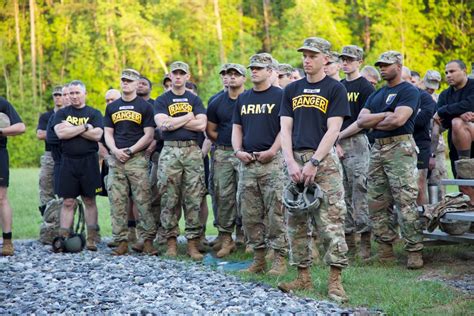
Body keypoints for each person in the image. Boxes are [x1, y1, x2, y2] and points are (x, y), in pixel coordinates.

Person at [278, 37, 350, 303]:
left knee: (330, 221)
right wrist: (291, 162)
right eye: (304, 55)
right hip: (295, 159)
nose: (306, 59)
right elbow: (285, 128)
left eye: (312, 55)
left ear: (326, 59)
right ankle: (303, 276)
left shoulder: (335, 88)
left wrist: (314, 162)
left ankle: (335, 282)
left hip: (324, 162)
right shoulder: (292, 89)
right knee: (295, 222)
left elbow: (334, 129)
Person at [357, 51, 424, 269]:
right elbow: (361, 121)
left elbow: (399, 119)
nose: (382, 68)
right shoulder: (377, 94)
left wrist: (375, 120)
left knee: (405, 200)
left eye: (386, 65)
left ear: (398, 65)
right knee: (377, 202)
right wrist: (384, 116)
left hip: (400, 147)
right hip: (378, 149)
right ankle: (385, 251)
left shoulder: (409, 91)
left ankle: (414, 250)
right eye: (380, 65)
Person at [232, 54, 287, 275]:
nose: (254, 71)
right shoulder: (243, 98)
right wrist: (238, 151)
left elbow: (286, 128)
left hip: (272, 163)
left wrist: (273, 150)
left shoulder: (281, 96)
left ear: (270, 71)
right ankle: (259, 259)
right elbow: (237, 128)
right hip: (248, 163)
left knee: (276, 212)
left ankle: (280, 259)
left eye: (259, 68)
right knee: (250, 214)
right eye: (252, 68)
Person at [154, 61, 207, 260]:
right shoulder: (162, 99)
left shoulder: (195, 99)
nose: (178, 77)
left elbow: (201, 125)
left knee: (193, 197)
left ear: (187, 76)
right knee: (169, 197)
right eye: (174, 73)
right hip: (169, 152)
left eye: (181, 73)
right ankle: (171, 243)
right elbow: (163, 126)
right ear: (170, 75)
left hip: (192, 151)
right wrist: (188, 117)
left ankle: (193, 244)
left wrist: (175, 121)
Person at [103, 69, 158, 256]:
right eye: (123, 80)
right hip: (117, 160)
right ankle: (121, 241)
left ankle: (148, 241)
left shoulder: (145, 107)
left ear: (136, 84)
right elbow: (108, 133)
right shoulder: (112, 107)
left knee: (143, 201)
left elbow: (149, 134)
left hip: (137, 159)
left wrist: (131, 150)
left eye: (130, 81)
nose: (125, 83)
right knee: (117, 202)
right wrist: (115, 150)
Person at [52, 80, 103, 252]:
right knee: (67, 201)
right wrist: (84, 126)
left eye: (77, 93)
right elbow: (61, 133)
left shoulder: (94, 113)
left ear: (85, 94)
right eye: (71, 93)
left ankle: (91, 238)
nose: (73, 96)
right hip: (68, 161)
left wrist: (72, 128)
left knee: (89, 200)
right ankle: (64, 237)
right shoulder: (62, 113)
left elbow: (97, 135)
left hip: (89, 161)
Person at [336, 45, 375, 259]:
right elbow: (330, 119)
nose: (345, 63)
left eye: (350, 59)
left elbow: (362, 121)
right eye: (342, 59)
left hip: (357, 142)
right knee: (340, 192)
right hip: (336, 143)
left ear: (359, 61)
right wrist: (335, 143)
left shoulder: (365, 87)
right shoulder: (338, 86)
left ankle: (365, 242)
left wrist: (338, 137)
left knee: (360, 190)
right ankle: (348, 241)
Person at [206, 64, 247, 258]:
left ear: (243, 78)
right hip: (223, 152)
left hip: (247, 153)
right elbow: (210, 130)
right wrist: (225, 142)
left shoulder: (250, 99)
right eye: (227, 74)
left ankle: (246, 237)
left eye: (235, 74)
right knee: (223, 196)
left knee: (247, 196)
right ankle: (226, 238)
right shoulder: (216, 102)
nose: (230, 78)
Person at [401, 67, 436, 205]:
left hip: (420, 145)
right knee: (401, 188)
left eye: (405, 79)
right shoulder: (393, 94)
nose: (402, 82)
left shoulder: (424, 97)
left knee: (419, 185)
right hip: (398, 146)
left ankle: (423, 221)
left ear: (411, 80)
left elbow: (422, 120)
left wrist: (398, 119)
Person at [433, 60, 474, 175]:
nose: (448, 75)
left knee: (456, 121)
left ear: (464, 71)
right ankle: (463, 161)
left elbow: (469, 104)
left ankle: (465, 161)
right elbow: (442, 122)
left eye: (452, 71)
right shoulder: (444, 95)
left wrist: (443, 110)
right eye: (446, 73)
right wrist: (460, 114)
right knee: (464, 187)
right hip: (456, 147)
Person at [0, 97, 26, 256]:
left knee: (1, 197)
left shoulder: (2, 103)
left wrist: (1, 131)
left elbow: (21, 127)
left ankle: (7, 241)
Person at [37, 86, 63, 215]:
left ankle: (66, 228)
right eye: (56, 95)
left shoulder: (70, 114)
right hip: (50, 155)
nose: (58, 97)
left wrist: (51, 134)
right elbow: (40, 135)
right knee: (46, 189)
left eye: (60, 94)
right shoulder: (46, 116)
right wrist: (63, 133)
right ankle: (49, 224)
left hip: (66, 154)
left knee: (67, 193)